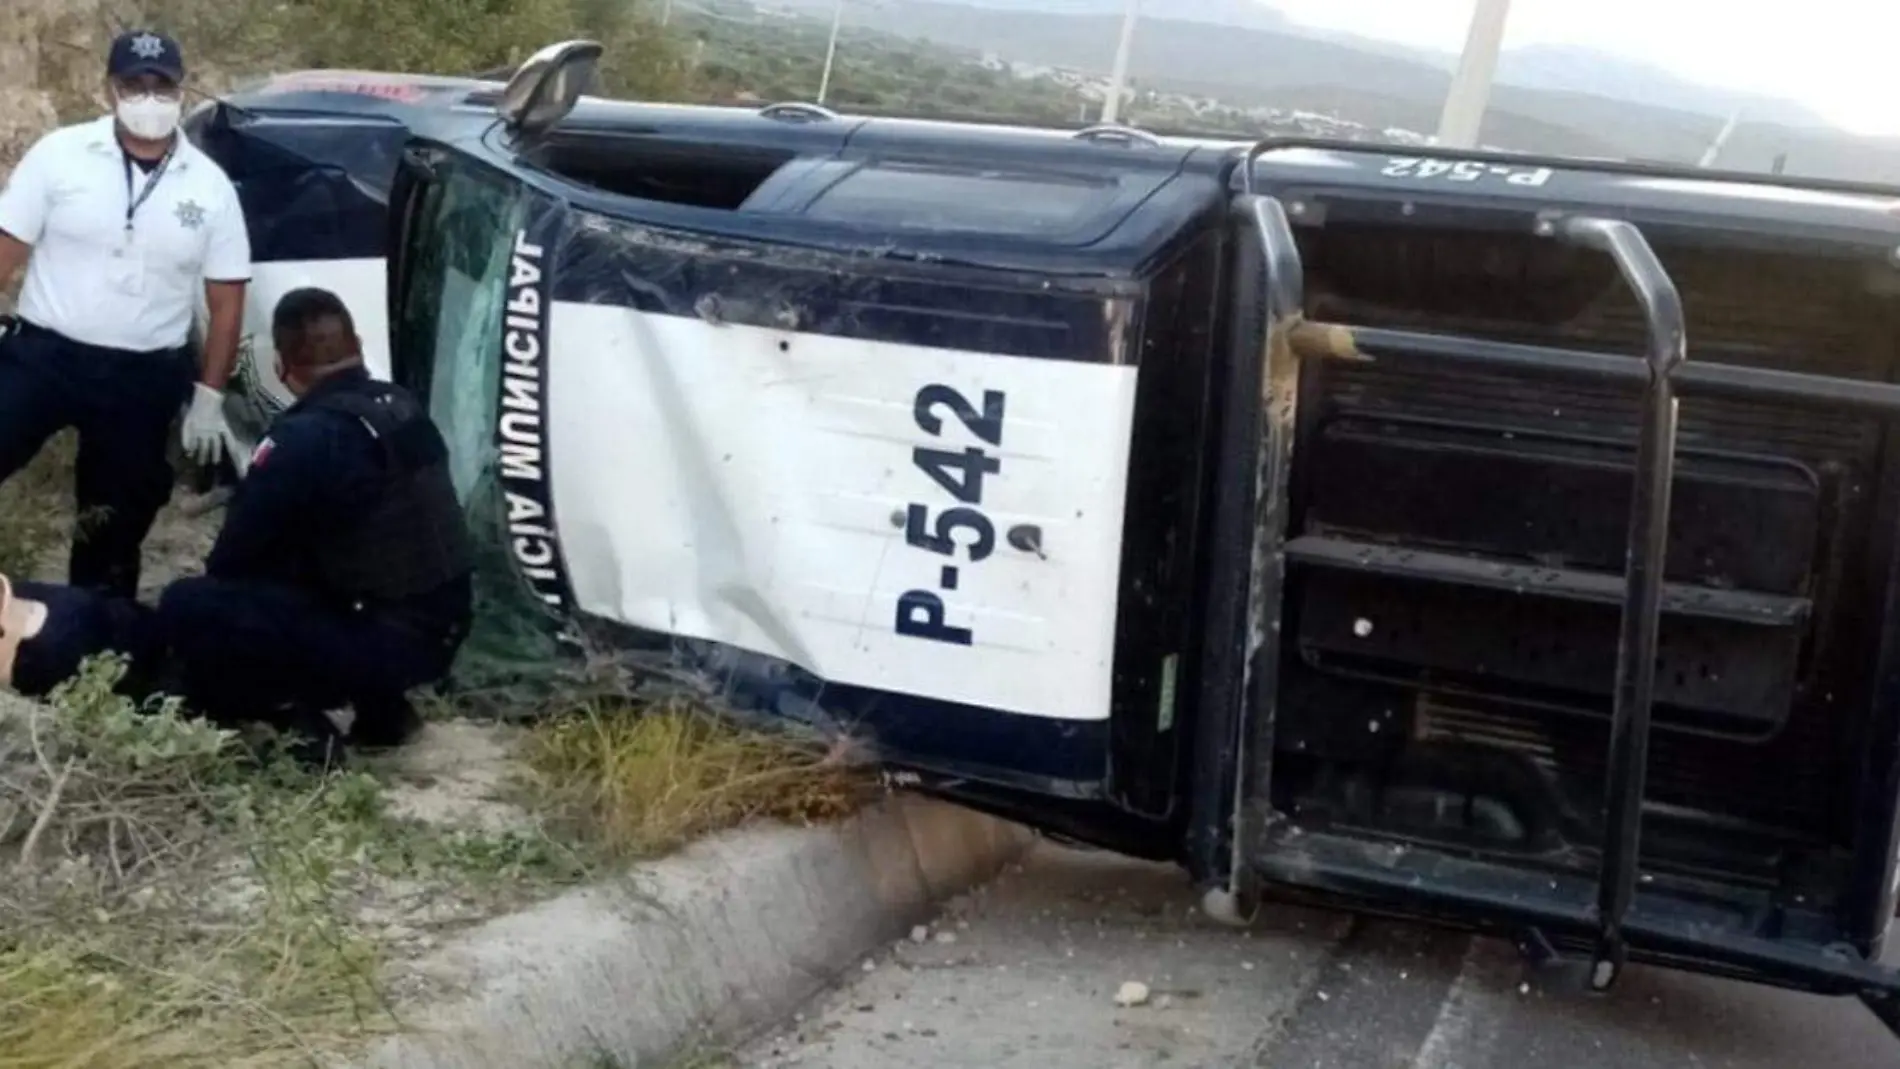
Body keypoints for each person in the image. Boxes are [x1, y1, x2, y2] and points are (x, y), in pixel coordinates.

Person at [0, 288, 475, 766]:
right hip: (443, 629)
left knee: (195, 608)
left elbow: (232, 562)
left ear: (283, 368)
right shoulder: (400, 409)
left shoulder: (304, 439)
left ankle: (295, 722)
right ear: (358, 343)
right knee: (325, 573)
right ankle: (384, 708)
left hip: (385, 640)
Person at [0, 29, 247, 598]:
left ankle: (90, 643)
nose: (149, 97)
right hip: (43, 357)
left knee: (114, 524)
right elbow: (7, 248)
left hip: (141, 376)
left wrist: (209, 398)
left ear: (180, 91)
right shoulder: (59, 156)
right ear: (110, 89)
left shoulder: (210, 189)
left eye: (161, 86)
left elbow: (226, 300)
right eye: (135, 84)